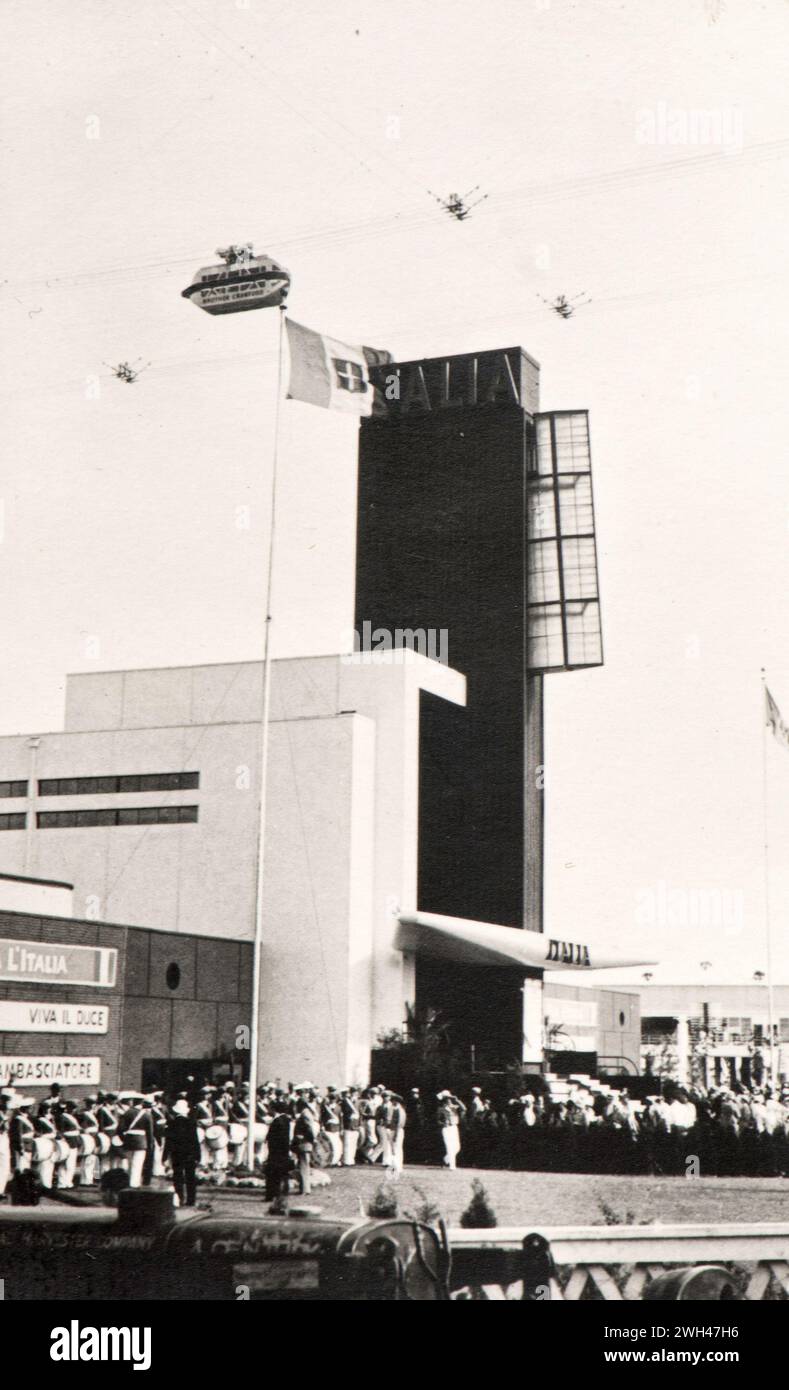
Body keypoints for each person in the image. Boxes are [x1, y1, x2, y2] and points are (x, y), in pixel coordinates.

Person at [165, 1099, 200, 1208]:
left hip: (177, 1154)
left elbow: (168, 1141)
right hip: (189, 1154)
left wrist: (165, 1155)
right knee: (190, 1177)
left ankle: (180, 1198)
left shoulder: (172, 1123)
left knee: (178, 1177)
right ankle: (191, 1200)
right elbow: (195, 1141)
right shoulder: (191, 1123)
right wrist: (198, 1155)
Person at [265, 1101, 292, 1202]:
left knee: (273, 1175)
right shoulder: (285, 1119)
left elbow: (277, 1138)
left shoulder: (278, 1121)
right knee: (282, 1174)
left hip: (276, 1152)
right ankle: (282, 1192)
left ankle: (272, 1194)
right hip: (282, 1152)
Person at [437, 1091, 466, 1169]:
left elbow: (464, 1108)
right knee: (450, 1147)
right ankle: (452, 1166)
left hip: (454, 1127)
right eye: (447, 1099)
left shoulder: (454, 1107)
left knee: (457, 1147)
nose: (449, 1100)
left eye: (449, 1098)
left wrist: (457, 1100)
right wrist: (443, 1123)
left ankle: (445, 1160)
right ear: (444, 1100)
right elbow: (438, 1120)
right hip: (446, 1128)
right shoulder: (441, 1109)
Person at [340, 1087, 361, 1167]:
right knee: (347, 1143)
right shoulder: (345, 1101)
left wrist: (359, 1124)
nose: (354, 1094)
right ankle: (346, 1160)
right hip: (348, 1124)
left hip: (355, 1125)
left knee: (353, 1144)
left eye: (356, 1093)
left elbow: (360, 1113)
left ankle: (351, 1160)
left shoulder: (358, 1102)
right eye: (353, 1093)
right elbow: (343, 1113)